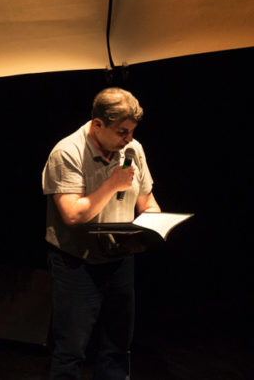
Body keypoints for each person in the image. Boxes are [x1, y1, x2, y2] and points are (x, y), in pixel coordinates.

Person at [41, 87, 162, 380]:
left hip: (120, 258)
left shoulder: (134, 149)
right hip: (76, 263)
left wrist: (156, 226)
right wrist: (113, 183)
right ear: (98, 124)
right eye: (122, 131)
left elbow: (147, 202)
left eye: (132, 131)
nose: (128, 139)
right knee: (72, 349)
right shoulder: (67, 152)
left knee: (118, 345)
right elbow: (72, 215)